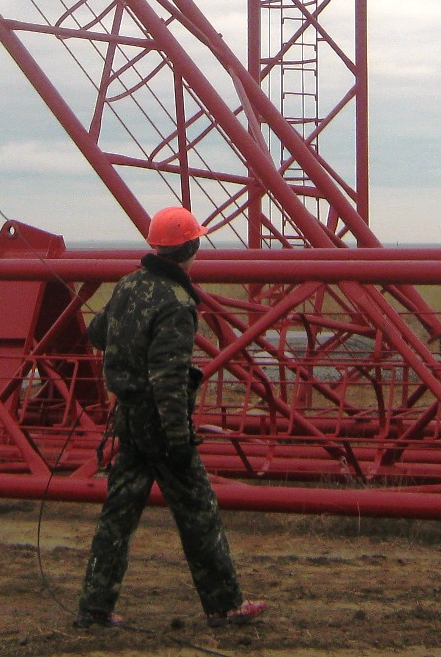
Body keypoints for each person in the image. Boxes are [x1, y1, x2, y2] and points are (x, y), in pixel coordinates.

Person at [75, 206, 268, 631]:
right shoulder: (178, 302)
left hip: (128, 416)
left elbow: (96, 335)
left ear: (156, 246)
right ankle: (226, 606)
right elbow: (168, 377)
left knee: (119, 513)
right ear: (191, 248)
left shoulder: (128, 286)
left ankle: (95, 607)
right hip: (160, 422)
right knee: (198, 510)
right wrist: (179, 438)